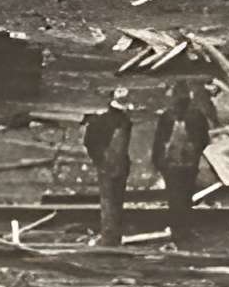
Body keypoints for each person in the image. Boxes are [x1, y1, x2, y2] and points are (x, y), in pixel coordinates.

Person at [150, 78, 213, 220]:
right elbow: (204, 139)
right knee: (184, 193)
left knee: (175, 194)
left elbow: (159, 141)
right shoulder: (196, 115)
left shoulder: (167, 116)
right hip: (186, 163)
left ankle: (178, 223)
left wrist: (157, 162)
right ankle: (183, 223)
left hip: (173, 163)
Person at [82, 93, 135, 247]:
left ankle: (109, 236)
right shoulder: (126, 122)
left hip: (107, 165)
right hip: (120, 165)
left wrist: (98, 159)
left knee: (108, 201)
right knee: (117, 201)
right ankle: (114, 236)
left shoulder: (99, 121)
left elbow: (89, 143)